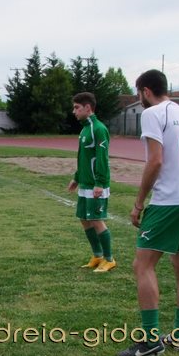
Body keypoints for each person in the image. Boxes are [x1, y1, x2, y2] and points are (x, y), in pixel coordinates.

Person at [118, 69, 179, 356]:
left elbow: (155, 161)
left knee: (142, 265)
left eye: (139, 93)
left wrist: (138, 203)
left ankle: (150, 341)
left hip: (169, 201)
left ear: (146, 91)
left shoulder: (153, 114)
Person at [67, 92, 116, 273]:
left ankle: (109, 259)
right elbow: (83, 157)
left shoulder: (99, 129)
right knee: (84, 219)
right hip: (85, 183)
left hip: (96, 184)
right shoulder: (84, 129)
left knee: (96, 220)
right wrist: (77, 178)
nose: (74, 111)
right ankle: (97, 255)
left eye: (77, 107)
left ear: (88, 108)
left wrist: (100, 183)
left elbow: (102, 158)